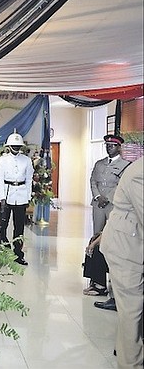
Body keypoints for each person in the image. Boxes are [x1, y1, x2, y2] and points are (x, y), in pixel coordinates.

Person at [100, 156, 143, 369]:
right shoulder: (140, 174)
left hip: (133, 240)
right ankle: (130, 363)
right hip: (126, 247)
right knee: (132, 307)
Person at [86, 134, 131, 301]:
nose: (109, 147)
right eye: (107, 145)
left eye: (112, 145)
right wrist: (98, 197)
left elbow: (122, 186)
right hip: (98, 206)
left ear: (119, 147)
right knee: (95, 238)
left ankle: (111, 280)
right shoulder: (100, 164)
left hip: (113, 207)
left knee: (111, 241)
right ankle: (96, 280)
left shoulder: (126, 166)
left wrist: (109, 198)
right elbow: (93, 181)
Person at [0, 131, 33, 266]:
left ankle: (18, 254)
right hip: (7, 194)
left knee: (19, 227)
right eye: (13, 145)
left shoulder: (26, 160)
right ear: (8, 146)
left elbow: (29, 179)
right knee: (3, 226)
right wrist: (1, 198)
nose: (16, 148)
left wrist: (28, 197)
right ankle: (3, 252)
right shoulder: (2, 160)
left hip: (21, 195)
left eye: (18, 146)